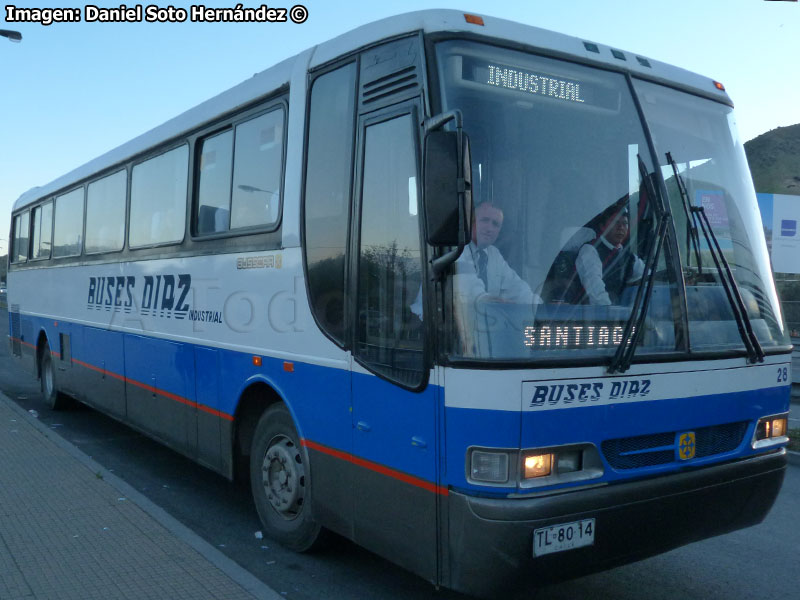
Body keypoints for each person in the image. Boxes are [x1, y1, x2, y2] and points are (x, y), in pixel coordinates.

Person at [455, 201, 540, 306]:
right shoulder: (458, 250)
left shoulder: (494, 254)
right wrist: (485, 300)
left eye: (495, 224)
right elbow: (470, 289)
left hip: (490, 319)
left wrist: (541, 306)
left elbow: (517, 288)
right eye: (484, 220)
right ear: (471, 222)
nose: (489, 228)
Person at [574, 205, 644, 305]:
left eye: (625, 223)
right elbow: (596, 293)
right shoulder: (590, 251)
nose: (621, 227)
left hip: (623, 317)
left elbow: (648, 277)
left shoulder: (629, 257)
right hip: (590, 317)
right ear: (602, 227)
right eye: (615, 222)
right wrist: (612, 313)